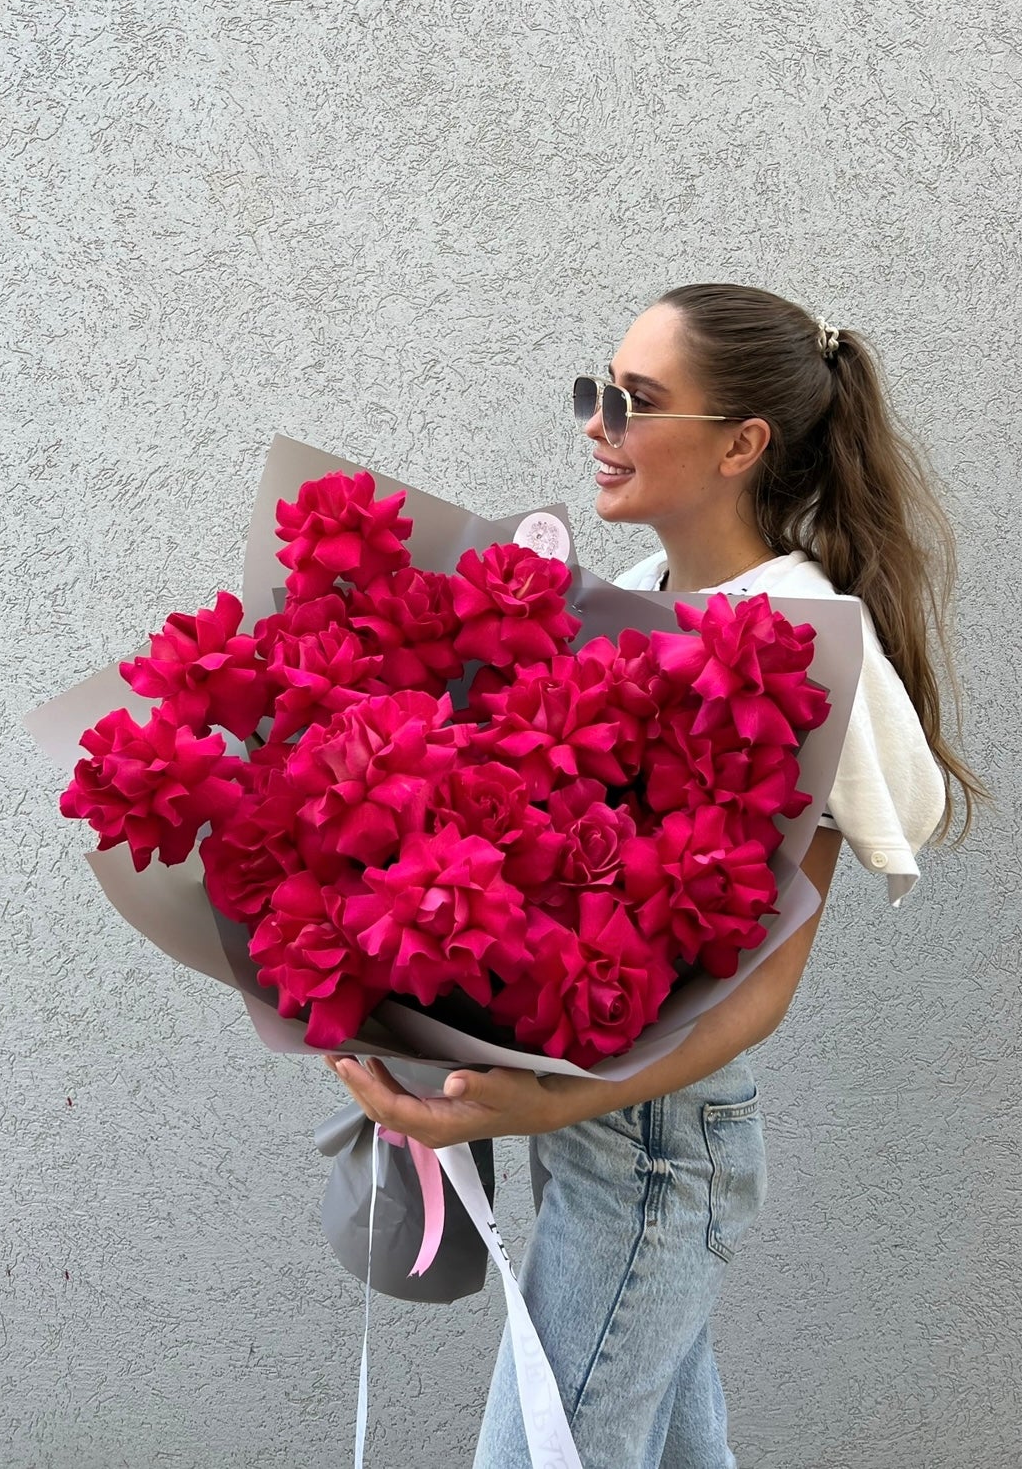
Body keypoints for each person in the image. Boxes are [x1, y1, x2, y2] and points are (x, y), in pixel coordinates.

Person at [328, 282, 988, 1468]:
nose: (598, 423)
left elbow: (764, 990)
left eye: (635, 402)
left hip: (654, 1143)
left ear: (742, 445)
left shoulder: (796, 637)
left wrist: (563, 1099)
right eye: (597, 390)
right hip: (599, 1136)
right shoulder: (636, 600)